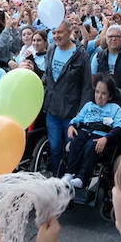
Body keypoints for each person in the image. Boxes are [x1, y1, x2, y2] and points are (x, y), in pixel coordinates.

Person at [43, 20, 93, 177]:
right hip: (52, 108)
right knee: (55, 147)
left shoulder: (80, 54)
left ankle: (70, 178)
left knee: (69, 148)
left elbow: (87, 85)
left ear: (69, 32)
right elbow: (47, 76)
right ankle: (57, 178)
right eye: (54, 32)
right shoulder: (51, 50)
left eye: (60, 32)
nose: (57, 36)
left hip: (71, 111)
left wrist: (82, 112)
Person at [61, 75, 121, 190]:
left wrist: (106, 138)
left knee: (91, 146)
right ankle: (69, 174)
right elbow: (78, 119)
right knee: (76, 142)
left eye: (103, 93)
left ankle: (82, 179)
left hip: (102, 135)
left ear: (110, 96)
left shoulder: (115, 108)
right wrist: (71, 126)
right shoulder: (88, 106)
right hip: (86, 130)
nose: (99, 96)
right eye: (97, 92)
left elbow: (119, 127)